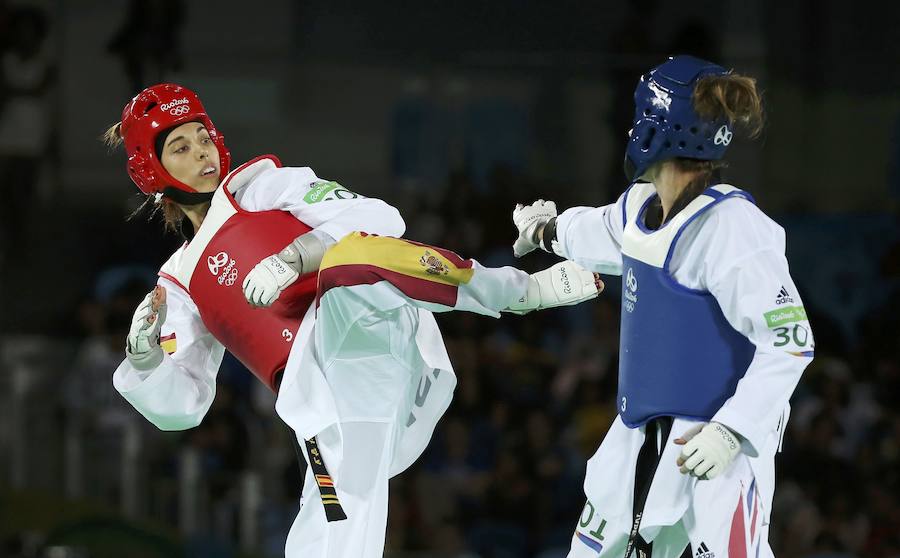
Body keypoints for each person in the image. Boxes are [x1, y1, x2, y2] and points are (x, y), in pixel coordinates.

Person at [104, 83, 603, 558]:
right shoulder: (177, 283)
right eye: (180, 147)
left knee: (348, 260)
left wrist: (296, 257)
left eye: (203, 137)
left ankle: (521, 290)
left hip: (366, 333)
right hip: (323, 406)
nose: (201, 153)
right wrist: (145, 362)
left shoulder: (260, 186)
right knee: (329, 526)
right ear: (152, 170)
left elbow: (382, 218)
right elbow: (184, 407)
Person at [512, 55, 814, 558]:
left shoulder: (733, 229)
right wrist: (543, 230)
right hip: (639, 435)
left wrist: (732, 430)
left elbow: (790, 342)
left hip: (718, 449)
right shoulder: (639, 207)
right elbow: (597, 232)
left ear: (658, 126)